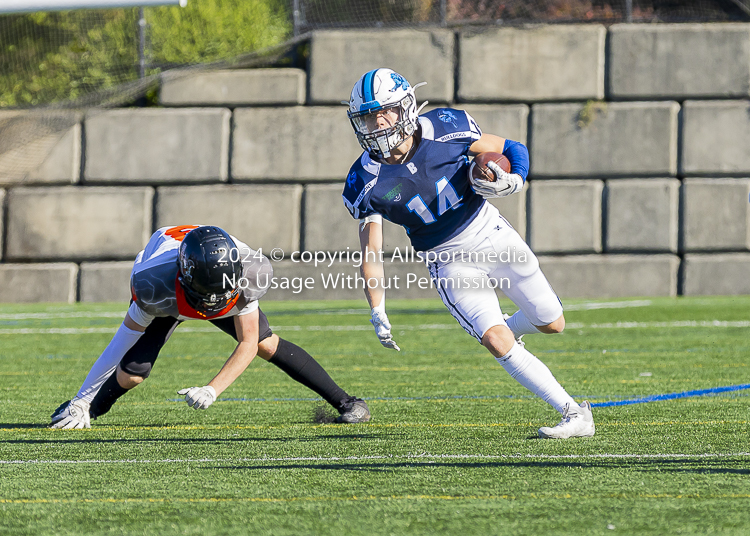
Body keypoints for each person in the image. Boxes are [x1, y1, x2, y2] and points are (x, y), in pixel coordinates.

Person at [341, 68, 593, 439]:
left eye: (385, 113)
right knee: (495, 341)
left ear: (406, 107)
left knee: (552, 321)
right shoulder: (365, 180)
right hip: (447, 258)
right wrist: (377, 308)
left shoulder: (447, 126)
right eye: (367, 118)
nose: (377, 125)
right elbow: (372, 253)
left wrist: (515, 177)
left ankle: (508, 328)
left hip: (490, 230)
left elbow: (512, 148)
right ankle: (574, 414)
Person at [50, 225, 370, 429]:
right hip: (172, 295)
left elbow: (248, 341)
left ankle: (347, 402)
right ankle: (87, 410)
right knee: (133, 371)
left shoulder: (251, 271)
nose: (215, 304)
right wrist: (83, 398)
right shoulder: (153, 284)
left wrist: (212, 388)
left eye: (224, 294)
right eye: (208, 296)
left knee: (265, 342)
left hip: (207, 283)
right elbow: (120, 343)